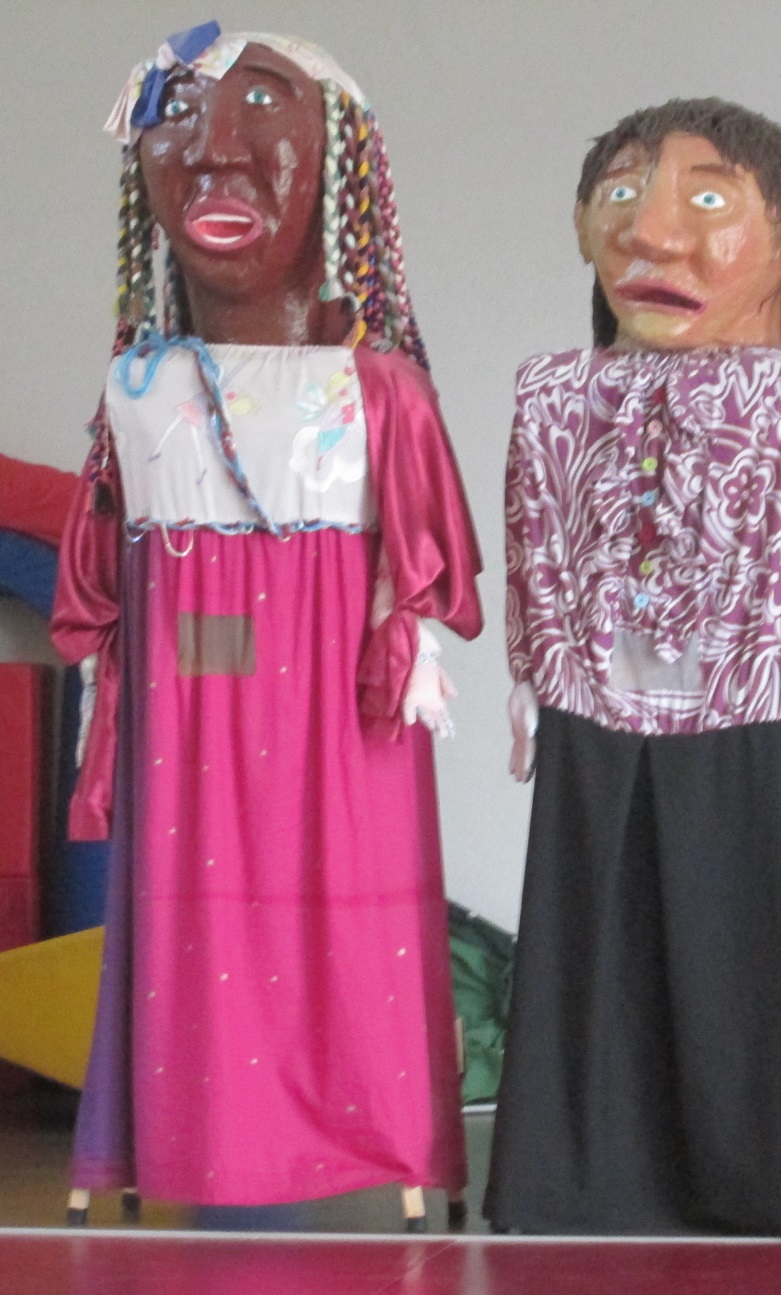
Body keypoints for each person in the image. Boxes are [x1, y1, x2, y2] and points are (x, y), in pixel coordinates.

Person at [52, 23, 482, 1226]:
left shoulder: (382, 387)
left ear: (339, 163)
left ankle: (372, 1136)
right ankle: (205, 1143)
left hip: (344, 685)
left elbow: (428, 559)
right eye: (178, 113)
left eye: (257, 105)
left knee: (350, 896)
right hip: (194, 674)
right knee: (202, 894)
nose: (212, 147)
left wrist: (404, 644)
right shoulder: (137, 387)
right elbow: (106, 570)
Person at [484, 98, 781, 1239]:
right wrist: (530, 672)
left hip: (760, 697)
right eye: (618, 195)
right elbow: (532, 533)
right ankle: (582, 1173)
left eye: (705, 198)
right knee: (598, 934)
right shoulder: (554, 393)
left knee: (761, 939)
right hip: (595, 696)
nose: (650, 232)